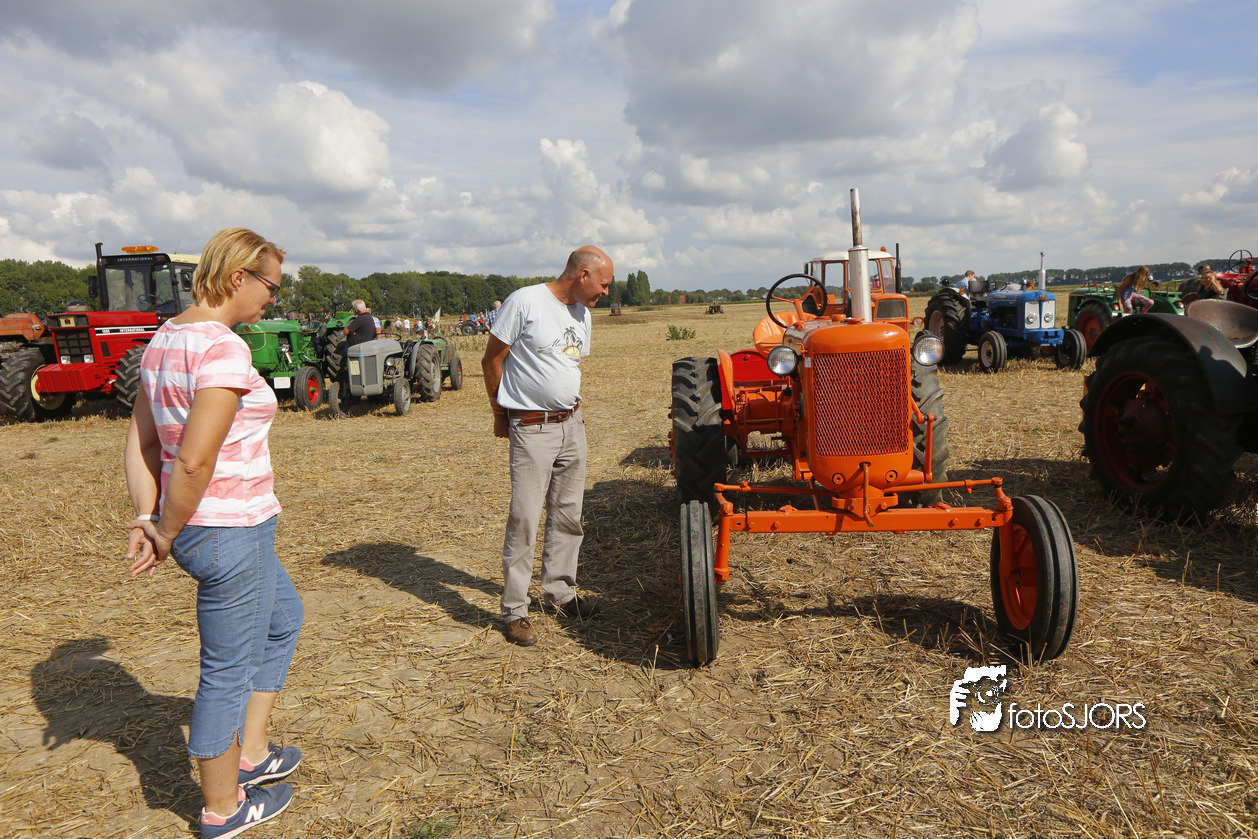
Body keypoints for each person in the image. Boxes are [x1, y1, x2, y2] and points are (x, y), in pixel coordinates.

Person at [124, 227, 303, 838]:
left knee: (285, 617)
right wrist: (162, 529)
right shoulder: (224, 349)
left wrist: (148, 517)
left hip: (217, 527)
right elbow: (194, 462)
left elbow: (143, 441)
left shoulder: (165, 337)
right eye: (271, 286)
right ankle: (223, 809)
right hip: (228, 529)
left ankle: (251, 752)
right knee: (225, 673)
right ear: (237, 277)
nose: (273, 298)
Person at [481, 246, 613, 646]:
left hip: (572, 424)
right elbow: (492, 361)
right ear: (583, 275)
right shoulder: (526, 302)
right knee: (524, 518)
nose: (606, 292)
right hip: (532, 428)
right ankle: (515, 610)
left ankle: (560, 593)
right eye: (604, 284)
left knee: (569, 514)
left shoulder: (582, 313)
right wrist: (500, 413)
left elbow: (565, 363)